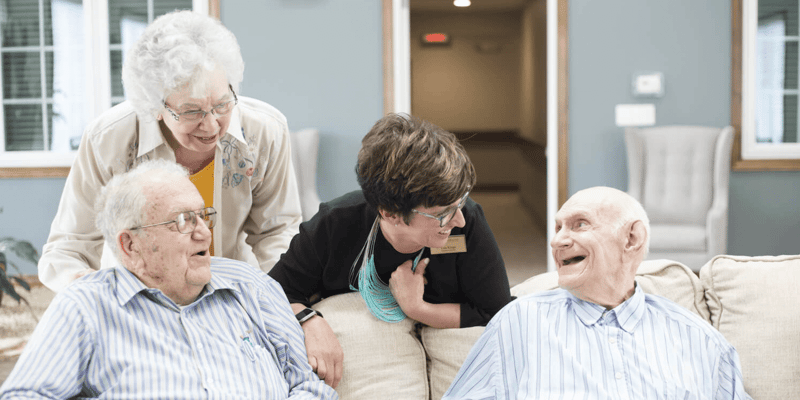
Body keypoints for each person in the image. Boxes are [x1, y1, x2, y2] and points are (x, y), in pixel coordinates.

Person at [0, 160, 337, 399]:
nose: (204, 232)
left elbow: (310, 385)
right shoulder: (85, 306)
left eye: (203, 216)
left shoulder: (251, 285)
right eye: (182, 221)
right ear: (131, 245)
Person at [38, 10, 301, 292]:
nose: (212, 125)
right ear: (155, 107)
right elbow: (68, 247)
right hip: (139, 295)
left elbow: (276, 232)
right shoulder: (108, 138)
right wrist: (85, 286)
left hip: (230, 289)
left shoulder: (265, 131)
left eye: (223, 105)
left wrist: (279, 296)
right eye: (191, 111)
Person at [268, 113, 513, 388]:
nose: (459, 220)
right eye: (443, 214)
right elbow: (272, 292)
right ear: (391, 213)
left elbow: (495, 311)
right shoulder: (334, 224)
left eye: (460, 202)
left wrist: (417, 308)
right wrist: (310, 322)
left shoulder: (468, 220)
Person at [443, 186, 751, 399]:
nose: (558, 241)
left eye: (579, 225)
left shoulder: (699, 340)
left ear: (632, 238)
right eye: (558, 228)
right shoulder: (518, 323)